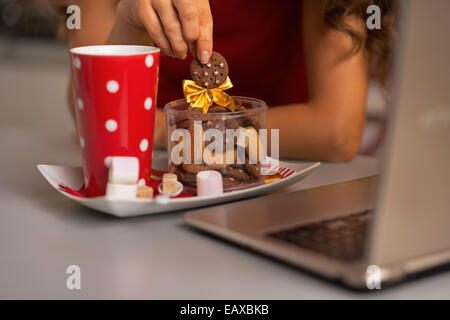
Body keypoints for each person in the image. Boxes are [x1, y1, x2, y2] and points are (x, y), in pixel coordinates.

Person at [51, 0, 395, 161]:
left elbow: (334, 134)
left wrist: (166, 131)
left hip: (290, 185)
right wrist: (130, 22)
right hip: (155, 182)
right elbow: (94, 121)